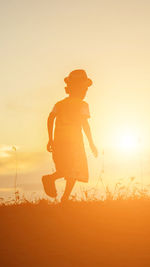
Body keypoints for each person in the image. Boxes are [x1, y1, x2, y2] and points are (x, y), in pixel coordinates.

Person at [42, 69, 98, 202]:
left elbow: (50, 118)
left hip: (59, 142)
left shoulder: (60, 104)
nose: (85, 92)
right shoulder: (82, 105)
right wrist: (91, 143)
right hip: (74, 143)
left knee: (65, 169)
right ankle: (58, 190)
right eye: (84, 89)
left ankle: (59, 191)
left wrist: (50, 139)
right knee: (74, 170)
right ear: (78, 89)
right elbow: (85, 124)